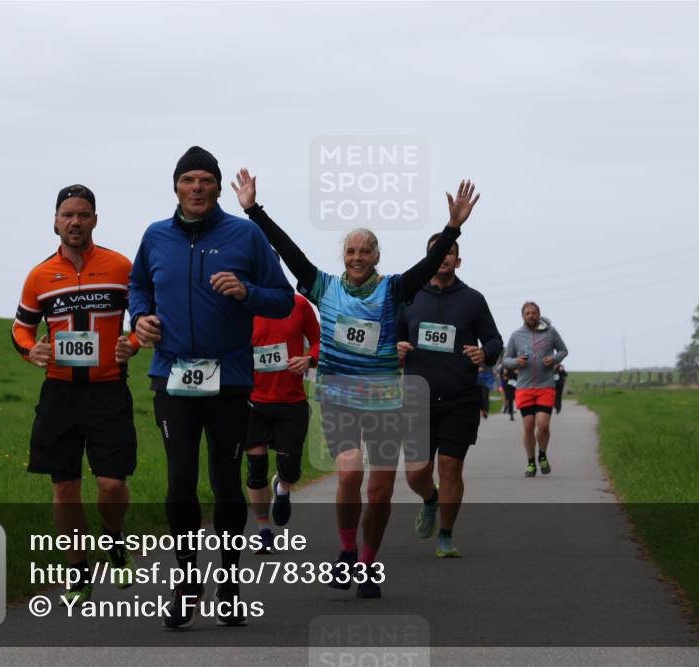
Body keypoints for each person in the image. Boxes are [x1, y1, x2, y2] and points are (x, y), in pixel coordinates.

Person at [232, 168, 480, 597]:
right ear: (342, 255)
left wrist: (452, 227)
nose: (357, 257)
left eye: (365, 250)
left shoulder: (395, 290)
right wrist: (255, 210)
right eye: (350, 250)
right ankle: (346, 553)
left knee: (380, 490)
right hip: (339, 396)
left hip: (385, 399)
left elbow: (425, 268)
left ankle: (366, 564)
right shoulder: (322, 287)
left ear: (376, 255)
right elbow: (288, 252)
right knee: (350, 473)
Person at [129, 147, 294, 629]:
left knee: (225, 483)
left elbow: (283, 299)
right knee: (180, 480)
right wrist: (140, 317)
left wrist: (247, 293)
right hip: (172, 376)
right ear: (176, 187)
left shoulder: (245, 235)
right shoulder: (155, 236)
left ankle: (229, 582)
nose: (197, 188)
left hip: (231, 379)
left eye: (206, 180)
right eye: (188, 180)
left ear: (219, 188)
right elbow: (138, 285)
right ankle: (185, 581)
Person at [12, 184, 140, 606]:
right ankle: (77, 568)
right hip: (60, 393)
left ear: (95, 221)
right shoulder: (39, 275)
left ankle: (115, 540)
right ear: (55, 221)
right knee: (64, 488)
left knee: (111, 483)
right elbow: (21, 328)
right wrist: (33, 350)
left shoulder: (120, 266)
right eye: (67, 214)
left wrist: (133, 342)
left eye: (83, 214)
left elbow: (146, 316)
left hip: (108, 391)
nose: (75, 222)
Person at [396, 233, 503, 558]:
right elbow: (389, 339)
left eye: (449, 253)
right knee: (416, 473)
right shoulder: (408, 298)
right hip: (418, 398)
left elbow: (495, 341)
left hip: (460, 399)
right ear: (429, 258)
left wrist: (484, 353)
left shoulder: (473, 299)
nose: (443, 258)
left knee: (451, 467)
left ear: (458, 260)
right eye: (437, 253)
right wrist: (395, 349)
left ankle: (446, 535)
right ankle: (430, 499)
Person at [246, 291, 320, 552]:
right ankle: (263, 531)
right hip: (254, 401)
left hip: (291, 401)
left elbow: (318, 341)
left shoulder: (298, 304)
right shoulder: (244, 304)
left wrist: (309, 359)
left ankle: (284, 486)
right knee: (256, 471)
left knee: (290, 468)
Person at [501, 303, 569, 477]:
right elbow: (505, 360)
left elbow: (563, 350)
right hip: (524, 387)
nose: (531, 315)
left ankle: (543, 455)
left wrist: (553, 359)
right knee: (529, 426)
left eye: (534, 312)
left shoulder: (551, 332)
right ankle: (531, 462)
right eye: (527, 313)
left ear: (539, 314)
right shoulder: (516, 336)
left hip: (546, 386)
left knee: (543, 425)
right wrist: (516, 362)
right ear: (522, 316)